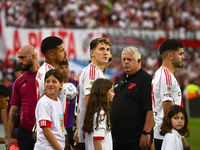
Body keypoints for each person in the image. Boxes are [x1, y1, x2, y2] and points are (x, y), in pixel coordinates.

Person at [110, 46, 154, 150]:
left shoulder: (146, 79)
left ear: (139, 61)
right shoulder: (119, 78)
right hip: (117, 139)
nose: (126, 62)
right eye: (124, 59)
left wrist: (146, 132)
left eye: (129, 59)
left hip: (136, 140)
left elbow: (150, 109)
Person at [73, 37, 111, 150]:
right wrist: (85, 127)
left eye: (108, 49)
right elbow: (90, 102)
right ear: (92, 52)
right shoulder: (93, 71)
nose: (106, 52)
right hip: (93, 130)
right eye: (102, 49)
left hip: (89, 128)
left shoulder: (94, 71)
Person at [151, 39, 189, 150]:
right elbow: (169, 110)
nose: (183, 57)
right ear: (171, 56)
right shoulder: (165, 77)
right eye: (181, 54)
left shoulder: (162, 74)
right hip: (168, 136)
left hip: (165, 134)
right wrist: (182, 139)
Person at [5, 45, 40, 150]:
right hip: (24, 131)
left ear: (33, 57)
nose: (19, 61)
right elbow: (13, 111)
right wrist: (9, 136)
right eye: (18, 58)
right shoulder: (19, 81)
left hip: (44, 129)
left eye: (22, 57)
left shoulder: (47, 77)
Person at [34, 69, 67, 150]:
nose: (50, 84)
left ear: (61, 84)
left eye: (54, 81)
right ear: (44, 84)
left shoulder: (58, 101)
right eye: (47, 81)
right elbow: (46, 131)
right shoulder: (44, 102)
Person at [82, 78, 115, 150]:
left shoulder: (93, 111)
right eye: (112, 91)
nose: (114, 94)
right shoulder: (101, 113)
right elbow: (97, 139)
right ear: (104, 93)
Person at [58, 61, 78, 150]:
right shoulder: (56, 84)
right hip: (60, 121)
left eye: (66, 67)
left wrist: (76, 102)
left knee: (71, 146)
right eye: (61, 67)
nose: (64, 69)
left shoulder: (75, 82)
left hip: (72, 121)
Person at [1, 64, 24, 140]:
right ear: (16, 73)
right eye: (21, 72)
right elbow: (4, 110)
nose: (24, 74)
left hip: (25, 129)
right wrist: (7, 130)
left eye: (25, 72)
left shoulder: (29, 88)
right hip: (13, 129)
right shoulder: (9, 87)